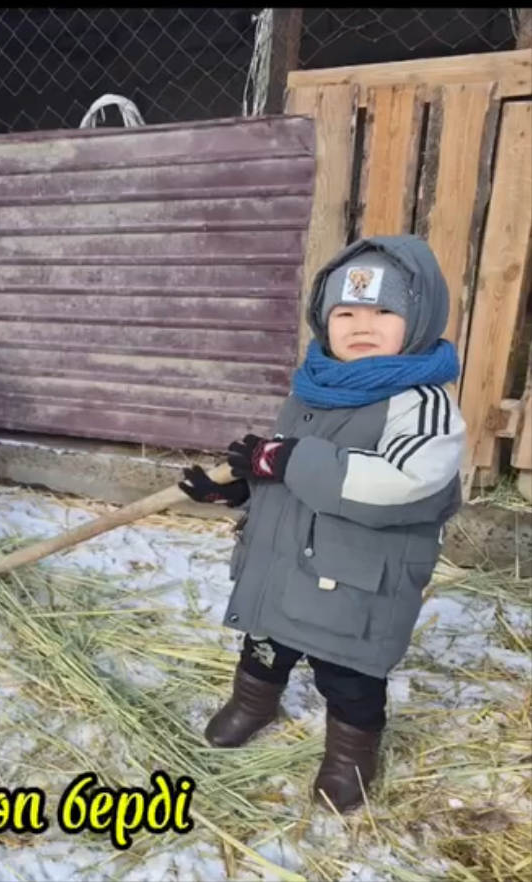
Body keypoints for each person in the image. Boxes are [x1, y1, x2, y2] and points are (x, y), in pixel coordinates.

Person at [179, 234, 466, 814]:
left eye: (383, 312)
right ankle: (254, 704)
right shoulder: (314, 388)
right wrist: (238, 489)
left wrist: (287, 460)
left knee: (349, 678)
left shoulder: (422, 405)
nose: (363, 326)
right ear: (324, 320)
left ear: (418, 321)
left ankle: (349, 755)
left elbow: (401, 482)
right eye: (346, 313)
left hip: (354, 585)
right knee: (263, 645)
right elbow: (288, 474)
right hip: (284, 567)